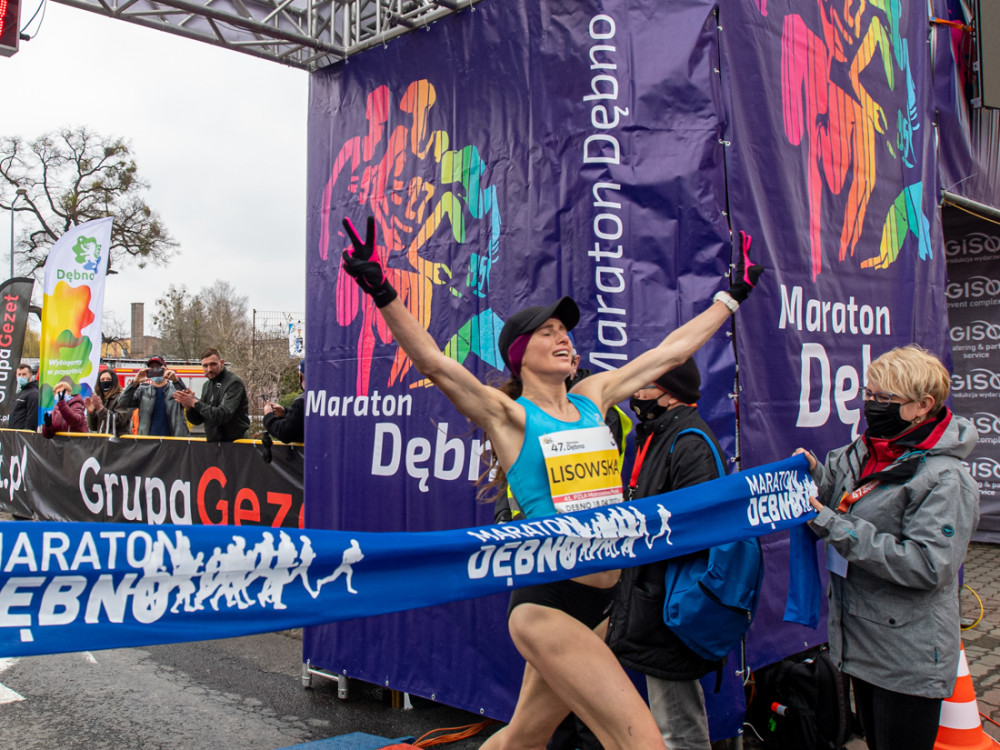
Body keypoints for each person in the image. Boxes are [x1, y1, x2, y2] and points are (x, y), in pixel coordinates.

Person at [340, 215, 763, 750]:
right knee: (643, 744)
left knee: (524, 738)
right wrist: (380, 287)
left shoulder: (594, 398)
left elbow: (671, 353)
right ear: (521, 353)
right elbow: (434, 362)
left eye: (565, 332)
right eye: (549, 332)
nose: (563, 338)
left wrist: (732, 297)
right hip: (549, 603)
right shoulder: (509, 417)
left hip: (607, 604)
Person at [798, 345, 980, 750]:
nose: (871, 405)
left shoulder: (945, 479)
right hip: (862, 642)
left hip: (908, 653)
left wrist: (835, 527)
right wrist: (815, 475)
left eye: (884, 399)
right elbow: (845, 499)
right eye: (868, 393)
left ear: (922, 406)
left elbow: (928, 566)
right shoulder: (868, 450)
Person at [605, 358, 725, 750]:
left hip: (668, 603)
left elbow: (698, 529)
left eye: (644, 386)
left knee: (679, 729)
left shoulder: (688, 443)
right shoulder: (656, 435)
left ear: (670, 395)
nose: (635, 395)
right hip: (652, 598)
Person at [174, 348, 250, 441]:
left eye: (213, 364)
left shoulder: (233, 383)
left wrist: (195, 403)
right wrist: (189, 407)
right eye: (205, 366)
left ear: (221, 363)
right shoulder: (207, 385)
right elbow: (198, 420)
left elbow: (222, 416)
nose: (209, 369)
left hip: (235, 444)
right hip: (213, 443)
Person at [118, 355, 191, 437]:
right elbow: (122, 403)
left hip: (173, 443)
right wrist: (134, 383)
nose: (155, 370)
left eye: (158, 367)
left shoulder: (175, 390)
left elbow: (190, 402)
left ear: (165, 369)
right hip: (148, 444)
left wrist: (176, 381)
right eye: (152, 368)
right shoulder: (142, 391)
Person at [85, 365, 134, 435]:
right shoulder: (99, 399)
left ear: (114, 381)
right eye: (102, 380)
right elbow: (93, 427)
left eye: (108, 379)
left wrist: (101, 409)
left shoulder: (123, 397)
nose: (105, 381)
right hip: (102, 441)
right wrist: (91, 413)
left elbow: (119, 421)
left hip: (119, 442)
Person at [263, 360, 305, 443]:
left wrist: (268, 415)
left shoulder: (302, 401)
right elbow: (301, 420)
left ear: (300, 376)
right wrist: (285, 412)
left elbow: (285, 433)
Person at [9, 362, 39, 430]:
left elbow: (32, 417)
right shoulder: (21, 392)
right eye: (19, 374)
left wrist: (26, 434)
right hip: (15, 434)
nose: (21, 377)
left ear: (30, 375)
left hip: (23, 436)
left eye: (24, 374)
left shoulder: (33, 393)